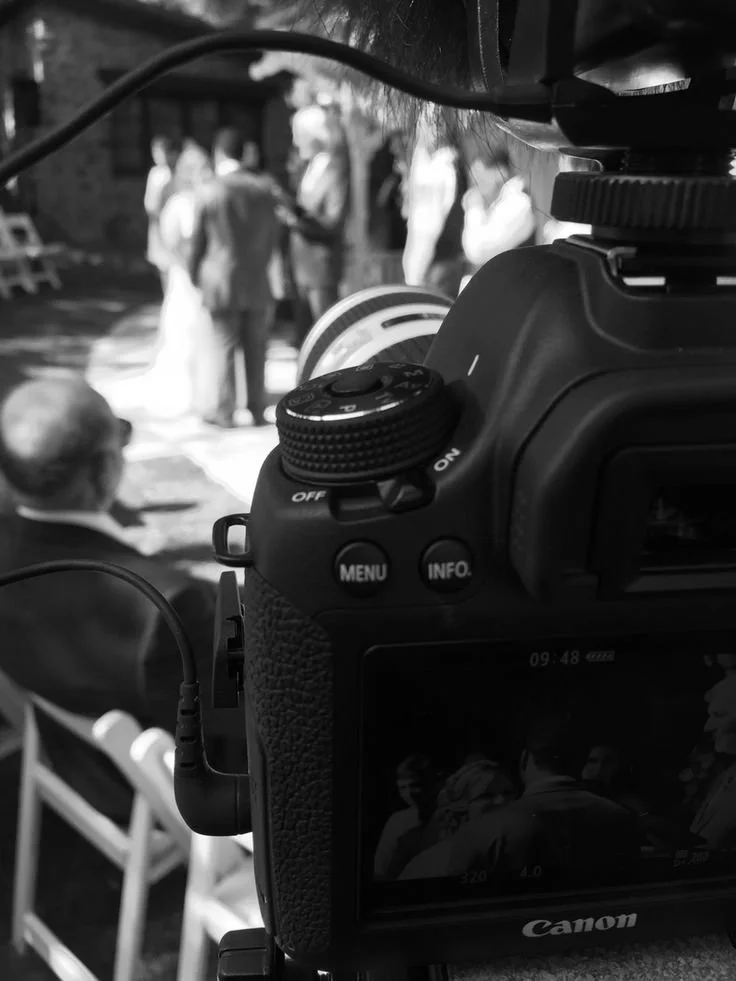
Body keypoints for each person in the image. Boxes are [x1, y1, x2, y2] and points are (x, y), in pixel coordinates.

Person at [0, 377, 216, 821]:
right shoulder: (169, 605)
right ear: (104, 469)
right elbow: (223, 747)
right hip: (156, 799)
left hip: (66, 759)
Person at [437, 713, 641, 886]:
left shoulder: (481, 830)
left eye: (506, 792)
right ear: (581, 762)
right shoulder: (623, 818)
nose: (499, 800)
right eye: (486, 795)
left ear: (525, 759)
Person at [102, 141, 213, 421]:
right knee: (184, 331)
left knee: (204, 334)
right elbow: (170, 239)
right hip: (185, 276)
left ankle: (208, 391)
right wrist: (189, 266)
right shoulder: (178, 203)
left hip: (201, 277)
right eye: (200, 169)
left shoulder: (207, 201)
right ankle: (187, 392)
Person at [188, 127, 281, 429]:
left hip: (220, 280)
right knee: (256, 347)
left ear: (219, 153)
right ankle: (256, 407)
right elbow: (274, 236)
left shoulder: (209, 189)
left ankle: (224, 411)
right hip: (256, 277)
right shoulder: (264, 189)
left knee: (223, 345)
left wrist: (193, 274)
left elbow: (198, 242)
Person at [280, 105, 351, 347]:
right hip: (301, 268)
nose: (295, 142)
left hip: (322, 268)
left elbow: (333, 222)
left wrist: (295, 221)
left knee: (327, 340)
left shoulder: (336, 169)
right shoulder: (309, 168)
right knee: (305, 340)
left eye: (299, 135)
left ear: (315, 135)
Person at [400, 759, 516, 879]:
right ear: (460, 809)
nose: (502, 800)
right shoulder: (429, 865)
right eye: (486, 796)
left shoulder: (521, 850)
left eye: (508, 792)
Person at [402, 125, 468, 298]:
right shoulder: (423, 162)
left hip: (443, 257)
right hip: (425, 256)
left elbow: (448, 212)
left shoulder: (450, 165)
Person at [460, 147, 536, 282]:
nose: (477, 187)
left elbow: (477, 251)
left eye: (481, 179)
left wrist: (474, 208)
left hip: (511, 288)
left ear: (501, 172)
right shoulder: (500, 203)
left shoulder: (518, 203)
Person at [374, 753, 443, 881]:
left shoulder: (449, 815)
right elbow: (381, 869)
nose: (409, 793)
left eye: (415, 785)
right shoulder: (397, 821)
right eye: (403, 787)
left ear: (431, 783)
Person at [144, 135, 181, 294]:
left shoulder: (177, 171)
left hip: (173, 223)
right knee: (162, 261)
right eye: (155, 153)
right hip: (158, 222)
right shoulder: (155, 173)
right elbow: (150, 201)